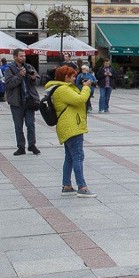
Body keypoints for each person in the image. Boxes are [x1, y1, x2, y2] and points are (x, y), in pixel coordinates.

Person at [46, 66, 96, 197]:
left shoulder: (61, 89)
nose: (75, 78)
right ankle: (82, 187)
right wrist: (86, 87)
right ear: (65, 77)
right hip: (71, 127)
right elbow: (80, 99)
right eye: (72, 76)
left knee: (70, 157)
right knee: (78, 156)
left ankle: (67, 186)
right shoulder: (63, 89)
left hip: (69, 126)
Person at [4, 48, 41, 156]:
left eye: (24, 56)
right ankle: (21, 147)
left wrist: (34, 78)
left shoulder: (29, 67)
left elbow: (37, 80)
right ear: (15, 57)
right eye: (21, 56)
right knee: (18, 126)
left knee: (31, 124)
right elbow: (9, 84)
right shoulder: (9, 69)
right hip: (16, 102)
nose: (23, 57)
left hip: (29, 101)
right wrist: (20, 76)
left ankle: (32, 145)